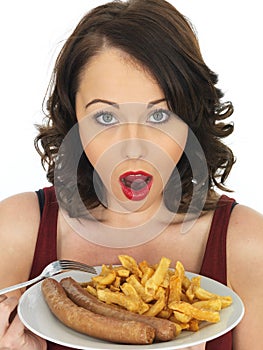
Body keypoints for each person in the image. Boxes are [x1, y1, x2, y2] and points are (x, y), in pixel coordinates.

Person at [0, 0, 262, 349]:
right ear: (73, 119)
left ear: (190, 120)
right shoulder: (15, 231)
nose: (134, 148)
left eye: (159, 116)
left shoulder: (248, 244)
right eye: (105, 117)